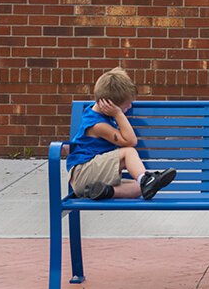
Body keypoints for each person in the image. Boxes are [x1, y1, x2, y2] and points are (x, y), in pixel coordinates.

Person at [65, 67, 176, 201]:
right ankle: (145, 179)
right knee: (128, 152)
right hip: (83, 174)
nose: (129, 107)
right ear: (109, 106)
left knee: (138, 189)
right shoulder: (98, 125)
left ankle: (104, 191)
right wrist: (118, 114)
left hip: (91, 178)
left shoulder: (99, 112)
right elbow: (131, 141)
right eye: (126, 105)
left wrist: (118, 111)